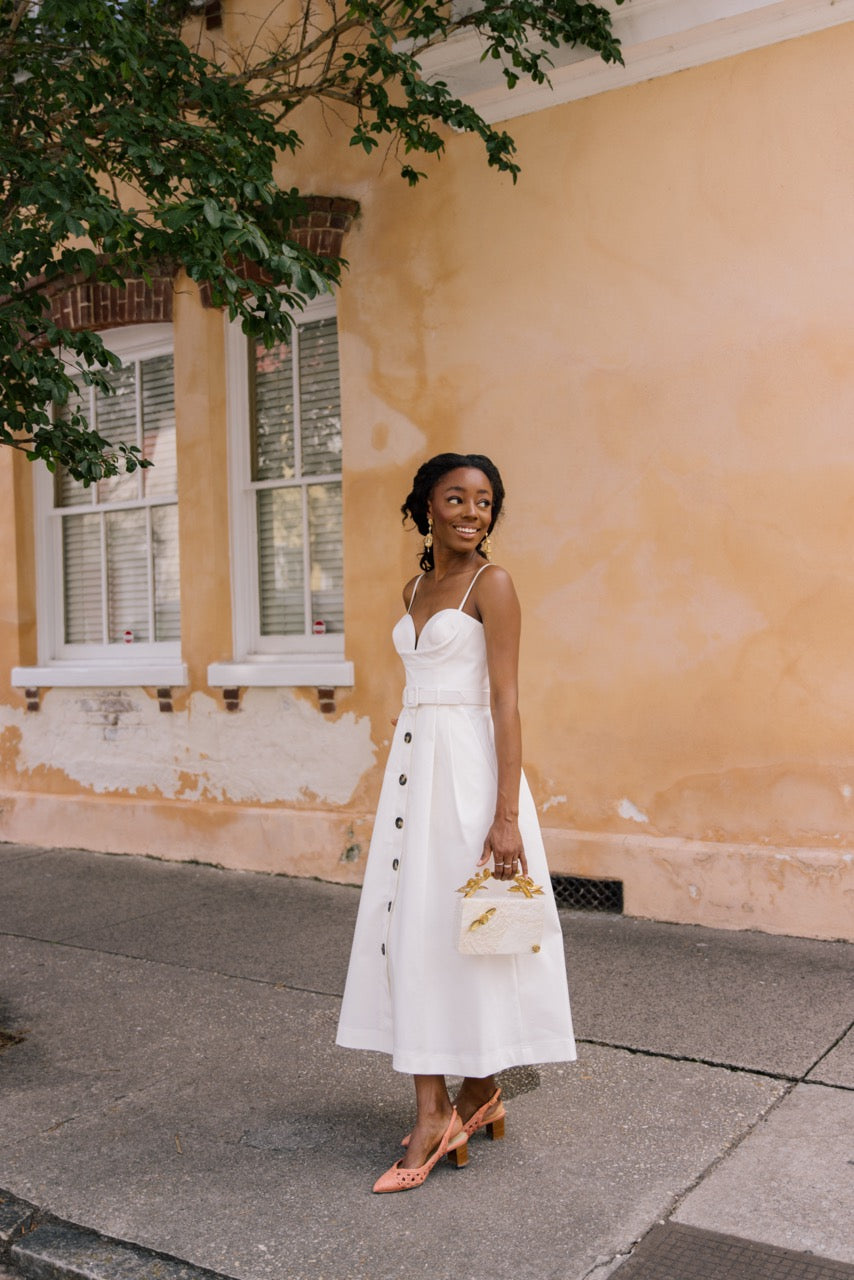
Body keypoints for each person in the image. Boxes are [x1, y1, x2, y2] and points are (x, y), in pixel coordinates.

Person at [336, 452, 575, 1193]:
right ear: (426, 507)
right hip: (415, 776)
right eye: (457, 499)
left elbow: (505, 701)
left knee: (468, 932)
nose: (472, 512)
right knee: (417, 929)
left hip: (469, 779)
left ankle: (443, 1110)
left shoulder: (491, 585)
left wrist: (505, 815)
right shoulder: (414, 587)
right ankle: (473, 1095)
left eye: (484, 501)